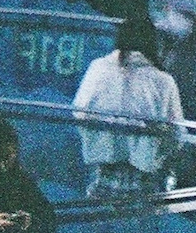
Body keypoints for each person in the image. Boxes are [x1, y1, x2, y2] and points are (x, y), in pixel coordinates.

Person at [69, 24, 185, 194]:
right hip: (144, 181)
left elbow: (79, 112)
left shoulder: (98, 68)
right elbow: (177, 134)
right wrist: (154, 154)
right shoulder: (163, 81)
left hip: (103, 173)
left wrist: (100, 143)